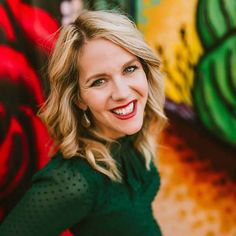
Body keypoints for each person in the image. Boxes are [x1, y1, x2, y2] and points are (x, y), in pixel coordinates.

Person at [0, 10, 167, 236]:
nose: (122, 93)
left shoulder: (129, 136)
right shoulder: (73, 181)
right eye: (99, 81)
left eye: (129, 69)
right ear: (78, 98)